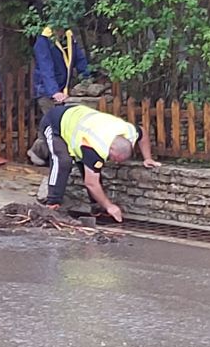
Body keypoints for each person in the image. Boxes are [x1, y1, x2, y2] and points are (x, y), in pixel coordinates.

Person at [38, 104, 161, 222]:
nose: (115, 162)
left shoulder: (129, 132)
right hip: (55, 122)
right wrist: (110, 206)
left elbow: (143, 133)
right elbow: (91, 183)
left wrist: (147, 158)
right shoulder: (96, 146)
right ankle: (52, 203)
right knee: (63, 161)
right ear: (111, 148)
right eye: (115, 158)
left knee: (90, 165)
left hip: (80, 122)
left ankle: (97, 207)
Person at [28, 26, 91, 165]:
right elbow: (46, 68)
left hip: (63, 88)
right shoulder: (43, 41)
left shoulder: (69, 37)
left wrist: (87, 76)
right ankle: (43, 154)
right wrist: (54, 91)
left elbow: (79, 58)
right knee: (54, 125)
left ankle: (39, 153)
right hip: (46, 91)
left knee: (57, 125)